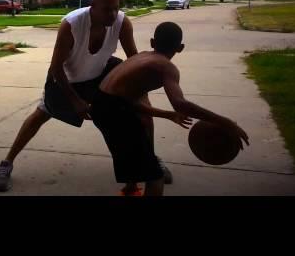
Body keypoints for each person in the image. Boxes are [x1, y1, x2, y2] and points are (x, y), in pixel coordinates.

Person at [0, 0, 172, 192]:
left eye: (116, 7)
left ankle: (150, 162)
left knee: (141, 114)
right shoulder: (72, 24)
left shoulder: (122, 23)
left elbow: (133, 60)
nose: (113, 14)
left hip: (100, 76)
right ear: (93, 7)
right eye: (107, 9)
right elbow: (56, 67)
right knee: (40, 115)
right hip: (66, 80)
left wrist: (142, 88)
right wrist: (75, 100)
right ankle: (6, 163)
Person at [93, 21, 249, 196]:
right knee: (155, 177)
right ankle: (133, 187)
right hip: (114, 112)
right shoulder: (166, 67)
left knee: (133, 155)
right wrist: (226, 122)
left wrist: (167, 115)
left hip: (100, 105)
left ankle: (130, 189)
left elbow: (126, 101)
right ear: (180, 48)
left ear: (152, 42)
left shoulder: (141, 57)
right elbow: (180, 103)